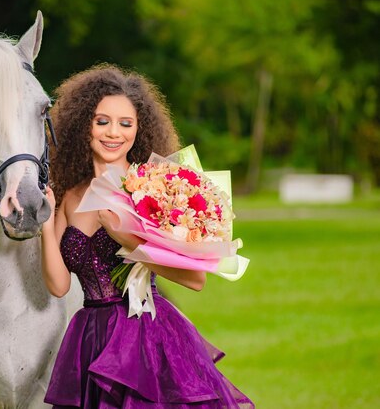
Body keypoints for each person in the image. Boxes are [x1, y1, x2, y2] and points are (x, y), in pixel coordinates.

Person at [41, 64, 254, 408]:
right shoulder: (68, 196)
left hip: (144, 337)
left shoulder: (152, 190)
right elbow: (58, 286)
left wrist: (129, 241)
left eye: (126, 123)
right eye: (102, 121)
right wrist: (46, 227)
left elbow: (195, 279)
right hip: (87, 338)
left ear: (139, 129)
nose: (114, 133)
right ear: (84, 126)